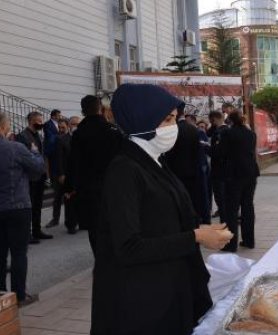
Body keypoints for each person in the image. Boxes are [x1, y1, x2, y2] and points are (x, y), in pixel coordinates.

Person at [92, 84, 232, 334]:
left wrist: (199, 229)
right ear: (142, 118)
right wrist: (196, 237)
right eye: (167, 119)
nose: (174, 127)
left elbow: (159, 220)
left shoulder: (153, 160)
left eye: (175, 119)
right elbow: (128, 247)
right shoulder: (124, 170)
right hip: (142, 305)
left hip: (167, 290)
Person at [0, 112, 45, 306]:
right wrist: (36, 152)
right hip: (18, 206)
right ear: (4, 127)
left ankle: (0, 298)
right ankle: (19, 296)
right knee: (19, 253)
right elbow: (38, 169)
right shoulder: (15, 148)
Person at [70, 95, 124, 254]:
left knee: (94, 228)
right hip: (113, 186)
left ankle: (100, 260)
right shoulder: (112, 131)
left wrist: (71, 186)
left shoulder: (78, 134)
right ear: (101, 109)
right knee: (116, 224)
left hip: (87, 189)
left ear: (83, 111)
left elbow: (74, 163)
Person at [220, 111, 260, 252]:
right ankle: (249, 241)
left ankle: (231, 244)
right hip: (250, 173)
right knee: (248, 206)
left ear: (230, 121)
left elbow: (221, 153)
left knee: (232, 210)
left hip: (234, 174)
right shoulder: (251, 134)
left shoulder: (227, 134)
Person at [165, 108, 210, 225]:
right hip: (193, 172)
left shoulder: (172, 130)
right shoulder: (193, 129)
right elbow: (199, 152)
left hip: (175, 173)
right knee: (193, 199)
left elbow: (169, 153)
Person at [16, 112, 53, 243]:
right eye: (38, 121)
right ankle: (28, 233)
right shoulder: (22, 136)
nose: (41, 123)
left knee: (38, 205)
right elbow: (24, 158)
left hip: (40, 176)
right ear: (31, 121)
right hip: (30, 178)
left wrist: (46, 174)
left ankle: (37, 230)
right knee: (29, 206)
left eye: (41, 120)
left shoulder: (39, 135)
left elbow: (42, 155)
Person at [46, 119, 69, 230]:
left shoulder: (70, 138)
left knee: (70, 197)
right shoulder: (54, 140)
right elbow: (50, 156)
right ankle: (55, 219)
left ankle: (72, 220)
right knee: (57, 197)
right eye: (59, 128)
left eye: (63, 128)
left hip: (68, 172)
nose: (61, 130)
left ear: (67, 127)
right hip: (57, 173)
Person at [61, 116, 80, 234]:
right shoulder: (63, 140)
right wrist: (61, 174)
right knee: (70, 200)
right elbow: (60, 158)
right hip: (69, 174)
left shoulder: (84, 138)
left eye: (78, 124)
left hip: (81, 173)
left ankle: (82, 220)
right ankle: (71, 224)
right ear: (69, 125)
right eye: (73, 124)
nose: (76, 126)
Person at [207, 111, 227, 219]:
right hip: (227, 170)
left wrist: (205, 148)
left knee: (220, 197)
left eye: (211, 121)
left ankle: (224, 221)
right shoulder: (227, 130)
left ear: (213, 119)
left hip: (218, 170)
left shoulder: (219, 133)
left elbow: (216, 152)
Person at [44, 109, 62, 228]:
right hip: (56, 167)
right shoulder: (48, 126)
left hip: (67, 169)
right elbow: (49, 142)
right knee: (57, 195)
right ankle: (55, 219)